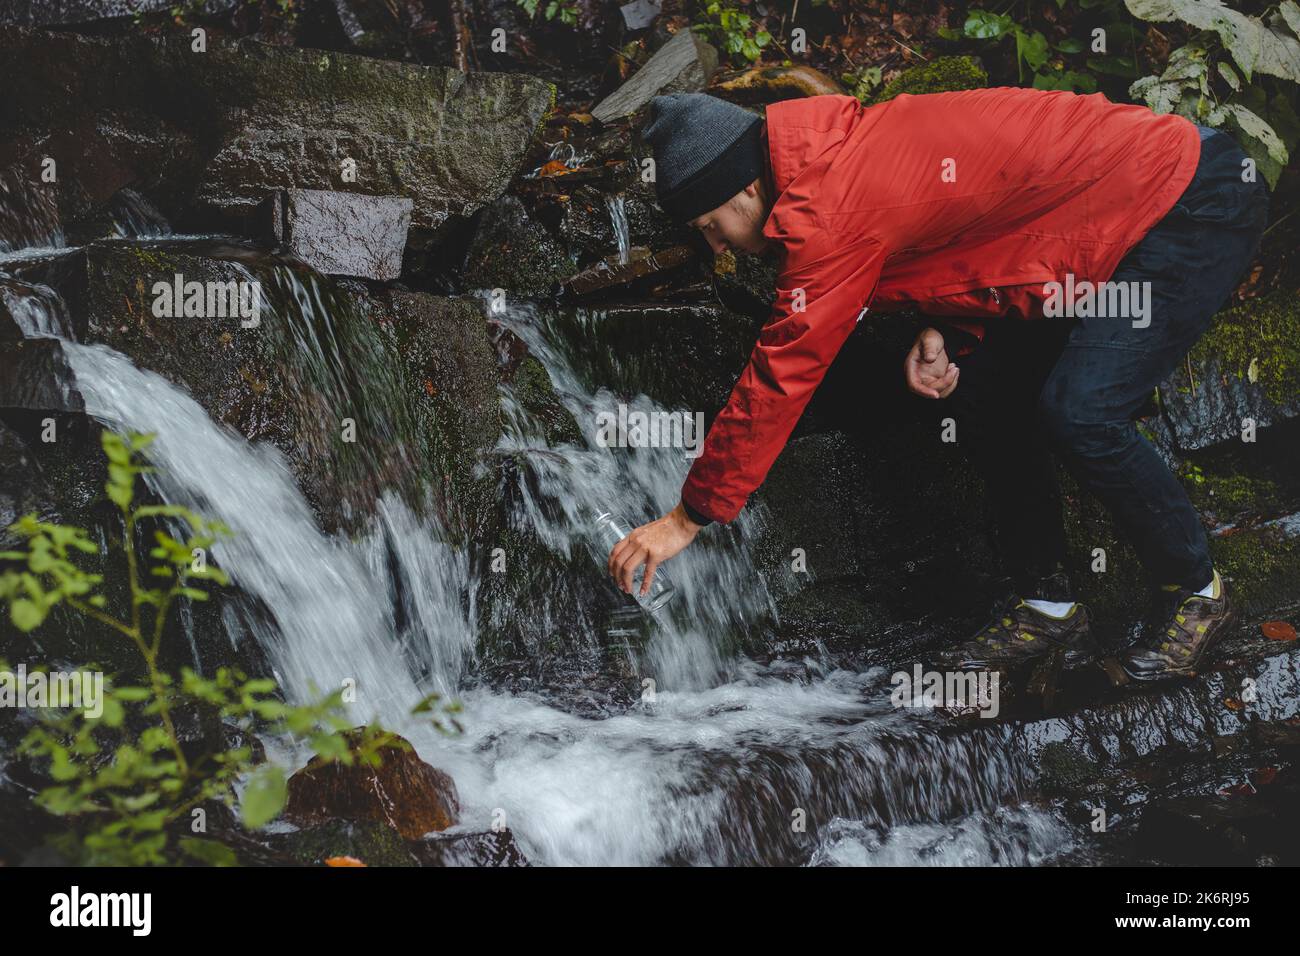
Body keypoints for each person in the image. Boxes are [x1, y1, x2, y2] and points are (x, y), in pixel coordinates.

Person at [608, 86, 1270, 682]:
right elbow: (982, 221)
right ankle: (1048, 605)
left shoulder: (828, 206)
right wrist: (947, 329)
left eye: (709, 228)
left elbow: (784, 371)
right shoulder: (826, 162)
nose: (717, 247)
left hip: (1183, 201)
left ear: (744, 190)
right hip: (1098, 225)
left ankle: (1196, 592)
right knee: (985, 394)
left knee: (1083, 411)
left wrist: (689, 516)